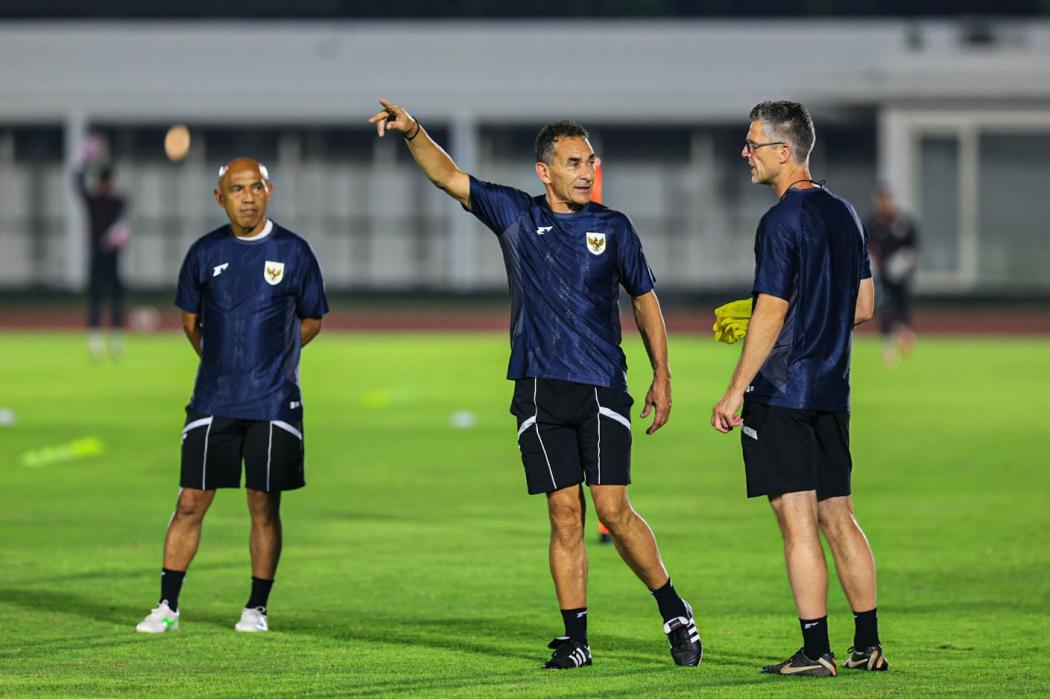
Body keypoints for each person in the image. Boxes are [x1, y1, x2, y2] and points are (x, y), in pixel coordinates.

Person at [369, 98, 701, 670]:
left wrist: (662, 375)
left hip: (601, 385)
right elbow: (448, 176)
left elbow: (644, 299)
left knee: (612, 509)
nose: (585, 172)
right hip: (539, 390)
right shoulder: (517, 215)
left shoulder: (613, 227)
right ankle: (576, 640)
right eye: (573, 163)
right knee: (563, 513)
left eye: (589, 162)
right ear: (544, 171)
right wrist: (413, 131)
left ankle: (673, 608)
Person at [711, 101, 887, 677]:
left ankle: (816, 651)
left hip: (783, 391)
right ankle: (868, 644)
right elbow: (863, 307)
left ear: (783, 152)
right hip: (833, 389)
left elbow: (771, 310)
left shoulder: (781, 220)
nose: (746, 154)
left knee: (797, 522)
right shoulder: (847, 214)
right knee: (840, 517)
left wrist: (736, 388)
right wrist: (813, 321)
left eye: (753, 145)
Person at [135, 158, 328, 634]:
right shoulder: (203, 253)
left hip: (273, 401)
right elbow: (189, 322)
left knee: (264, 504)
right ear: (219, 197)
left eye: (256, 187)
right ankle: (167, 605)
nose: (247, 196)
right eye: (237, 189)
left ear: (269, 191)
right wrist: (225, 363)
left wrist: (273, 359)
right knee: (190, 501)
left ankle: (256, 608)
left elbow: (312, 319)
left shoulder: (295, 251)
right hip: (214, 399)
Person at [74, 137, 129, 360]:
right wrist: (86, 160)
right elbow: (77, 183)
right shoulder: (105, 201)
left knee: (114, 298)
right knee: (98, 299)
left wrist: (86, 160)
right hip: (102, 256)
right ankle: (97, 344)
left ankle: (112, 342)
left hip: (108, 257)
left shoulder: (113, 201)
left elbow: (122, 223)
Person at [866, 185, 919, 367]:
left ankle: (904, 336)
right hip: (881, 277)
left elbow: (913, 249)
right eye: (882, 200)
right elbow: (866, 247)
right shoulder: (872, 224)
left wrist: (904, 264)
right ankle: (889, 346)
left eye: (888, 199)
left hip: (901, 276)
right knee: (885, 309)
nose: (885, 204)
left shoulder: (904, 223)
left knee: (903, 308)